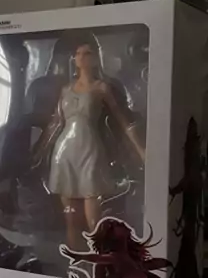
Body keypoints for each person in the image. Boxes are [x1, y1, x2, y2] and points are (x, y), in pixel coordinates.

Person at [35, 42, 145, 250]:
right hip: (64, 152)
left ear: (95, 58)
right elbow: (55, 123)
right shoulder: (65, 90)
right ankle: (73, 260)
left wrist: (140, 149)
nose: (81, 57)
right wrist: (38, 152)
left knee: (94, 219)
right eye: (78, 53)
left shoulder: (101, 88)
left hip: (90, 150)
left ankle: (100, 260)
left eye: (87, 53)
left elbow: (122, 120)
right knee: (70, 218)